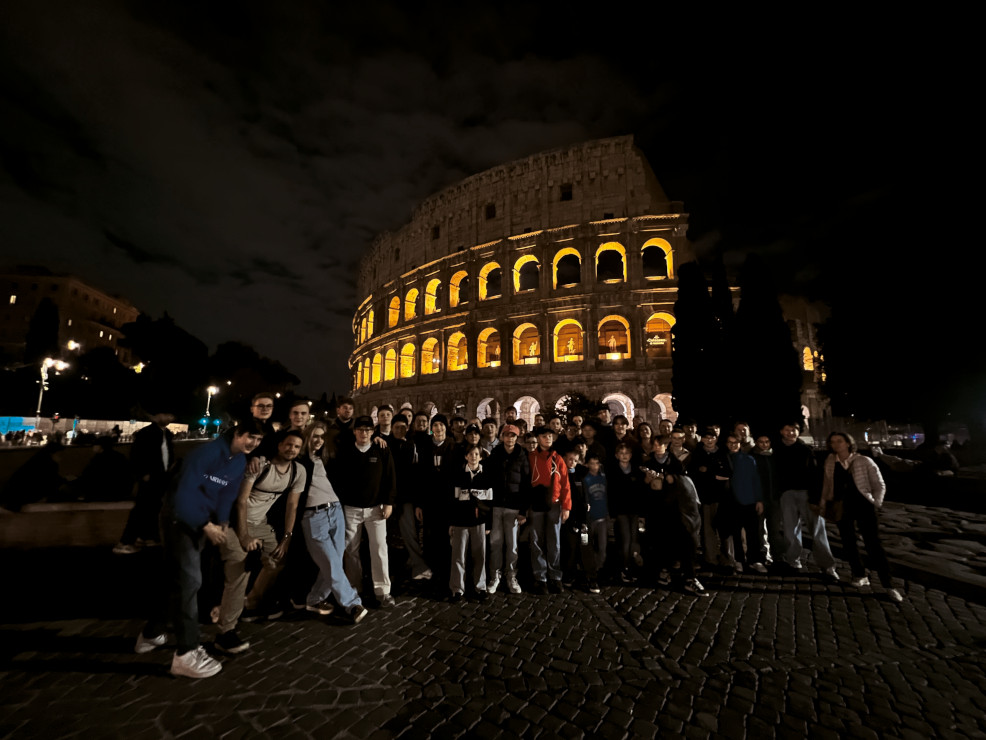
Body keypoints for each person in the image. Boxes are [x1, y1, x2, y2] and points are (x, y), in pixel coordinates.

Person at [135, 419, 265, 679]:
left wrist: (224, 523)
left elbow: (226, 494)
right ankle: (186, 652)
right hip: (180, 520)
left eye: (259, 440)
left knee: (179, 580)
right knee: (191, 581)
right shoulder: (206, 454)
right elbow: (185, 494)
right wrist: (207, 525)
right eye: (250, 437)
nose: (254, 443)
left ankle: (151, 633)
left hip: (203, 522)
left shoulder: (238, 460)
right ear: (237, 434)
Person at [215, 430, 307, 652]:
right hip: (236, 521)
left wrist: (286, 538)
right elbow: (241, 501)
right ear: (279, 445)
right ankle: (226, 630)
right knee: (239, 570)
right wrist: (244, 535)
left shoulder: (298, 471)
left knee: (276, 560)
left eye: (296, 447)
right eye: (288, 445)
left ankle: (251, 603)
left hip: (261, 523)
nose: (292, 450)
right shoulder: (260, 465)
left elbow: (292, 506)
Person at [297, 422, 368, 623]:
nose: (318, 441)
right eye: (315, 436)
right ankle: (351, 603)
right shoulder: (299, 461)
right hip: (313, 515)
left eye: (321, 437)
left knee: (334, 561)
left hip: (335, 510)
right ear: (306, 437)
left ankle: (314, 598)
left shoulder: (324, 459)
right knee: (330, 562)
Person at [820, 433, 903, 602]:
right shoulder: (830, 461)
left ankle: (889, 585)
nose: (836, 444)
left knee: (873, 544)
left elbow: (879, 484)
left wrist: (876, 502)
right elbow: (827, 483)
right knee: (848, 542)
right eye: (832, 442)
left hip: (863, 505)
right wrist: (824, 501)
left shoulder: (864, 461)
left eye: (839, 441)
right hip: (842, 506)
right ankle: (858, 574)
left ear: (849, 443)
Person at [339, 416, 398, 607]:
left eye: (367, 429)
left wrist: (388, 502)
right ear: (354, 431)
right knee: (351, 550)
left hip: (376, 509)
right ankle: (354, 588)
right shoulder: (346, 451)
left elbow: (390, 477)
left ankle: (383, 591)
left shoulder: (382, 449)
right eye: (360, 429)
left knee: (380, 548)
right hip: (351, 508)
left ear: (373, 432)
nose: (364, 433)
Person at [775, 423, 838, 581]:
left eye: (794, 430)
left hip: (806, 492)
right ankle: (793, 561)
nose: (791, 433)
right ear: (781, 431)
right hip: (786, 493)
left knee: (817, 529)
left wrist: (816, 497)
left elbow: (815, 474)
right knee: (790, 530)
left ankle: (827, 565)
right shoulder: (776, 450)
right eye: (787, 429)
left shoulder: (805, 450)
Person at [115, 408, 176, 554]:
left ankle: (147, 537)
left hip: (161, 476)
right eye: (165, 413)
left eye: (170, 414)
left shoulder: (166, 433)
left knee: (153, 508)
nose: (168, 417)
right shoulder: (146, 433)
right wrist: (143, 474)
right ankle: (125, 541)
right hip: (150, 477)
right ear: (156, 416)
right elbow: (135, 456)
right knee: (141, 509)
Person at [486, 424, 530, 595]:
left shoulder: (522, 455)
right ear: (502, 437)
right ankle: (494, 576)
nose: (509, 438)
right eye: (506, 435)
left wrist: (523, 510)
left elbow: (526, 483)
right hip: (497, 505)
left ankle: (511, 575)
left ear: (516, 438)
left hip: (514, 506)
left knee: (512, 545)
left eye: (513, 435)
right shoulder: (495, 454)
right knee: (495, 543)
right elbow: (488, 478)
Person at [527, 426, 571, 593]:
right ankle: (540, 577)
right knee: (536, 541)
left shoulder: (558, 459)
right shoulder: (531, 457)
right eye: (544, 436)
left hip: (554, 504)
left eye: (550, 436)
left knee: (555, 542)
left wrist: (566, 506)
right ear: (538, 438)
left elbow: (565, 484)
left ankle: (555, 576)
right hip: (535, 504)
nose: (548, 439)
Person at [448, 445, 494, 602]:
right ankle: (457, 589)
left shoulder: (487, 475)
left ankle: (480, 587)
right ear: (466, 456)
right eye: (470, 454)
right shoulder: (458, 474)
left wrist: (488, 524)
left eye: (476, 454)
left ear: (480, 457)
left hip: (479, 522)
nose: (473, 456)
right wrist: (452, 523)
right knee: (458, 556)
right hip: (461, 521)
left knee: (480, 555)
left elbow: (489, 502)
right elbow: (453, 501)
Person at [723, 435, 767, 573]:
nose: (732, 445)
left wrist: (759, 499)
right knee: (735, 533)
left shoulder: (748, 459)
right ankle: (739, 560)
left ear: (739, 444)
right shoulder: (724, 459)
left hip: (749, 500)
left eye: (735, 442)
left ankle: (755, 560)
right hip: (731, 501)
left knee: (753, 533)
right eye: (729, 442)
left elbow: (756, 480)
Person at [581, 455, 608, 593]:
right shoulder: (586, 480)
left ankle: (597, 571)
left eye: (597, 463)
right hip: (590, 519)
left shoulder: (603, 478)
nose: (594, 466)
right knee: (589, 548)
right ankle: (591, 575)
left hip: (602, 517)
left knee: (602, 548)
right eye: (592, 463)